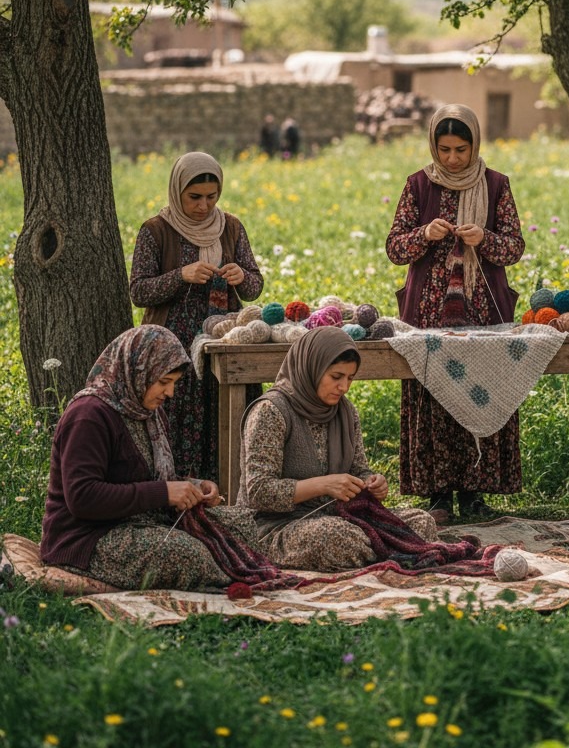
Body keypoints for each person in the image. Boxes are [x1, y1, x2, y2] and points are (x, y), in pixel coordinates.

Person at [385, 103, 525, 520]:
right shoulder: (417, 186)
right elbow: (395, 248)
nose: (451, 159)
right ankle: (438, 495)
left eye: (460, 150)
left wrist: (484, 238)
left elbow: (514, 247)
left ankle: (477, 494)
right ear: (433, 145)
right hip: (428, 317)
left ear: (475, 144)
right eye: (443, 149)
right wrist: (423, 234)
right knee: (434, 397)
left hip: (482, 315)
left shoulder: (496, 185)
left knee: (481, 391)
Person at [40, 326, 260, 590]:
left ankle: (226, 573)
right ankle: (225, 577)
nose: (170, 393)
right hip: (87, 537)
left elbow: (148, 478)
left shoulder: (147, 413)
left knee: (243, 525)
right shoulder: (89, 415)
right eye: (163, 382)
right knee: (185, 554)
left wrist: (192, 487)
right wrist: (165, 493)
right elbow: (83, 497)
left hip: (142, 521)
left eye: (174, 384)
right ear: (139, 370)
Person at [238, 327, 438, 570]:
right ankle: (397, 550)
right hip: (277, 525)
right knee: (336, 539)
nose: (343, 387)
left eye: (350, 378)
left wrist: (373, 482)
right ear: (311, 368)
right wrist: (323, 485)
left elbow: (359, 469)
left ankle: (389, 550)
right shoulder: (271, 411)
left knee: (421, 522)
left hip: (340, 516)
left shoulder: (345, 411)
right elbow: (259, 492)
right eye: (336, 377)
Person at [129, 151, 264, 481]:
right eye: (194, 198)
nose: (203, 206)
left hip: (225, 341)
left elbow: (254, 286)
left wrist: (241, 277)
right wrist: (181, 275)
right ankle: (178, 499)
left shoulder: (230, 227)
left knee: (228, 416)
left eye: (211, 197)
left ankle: (229, 493)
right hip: (175, 348)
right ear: (177, 192)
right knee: (178, 423)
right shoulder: (156, 231)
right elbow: (138, 291)